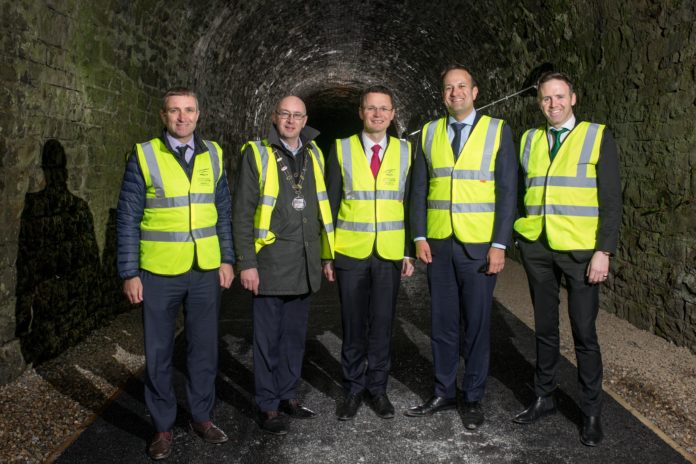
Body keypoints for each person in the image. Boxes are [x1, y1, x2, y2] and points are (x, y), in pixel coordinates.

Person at [116, 87, 234, 460]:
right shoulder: (144, 155)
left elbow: (223, 211)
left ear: (199, 115)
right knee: (159, 351)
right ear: (163, 115)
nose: (182, 117)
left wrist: (227, 259)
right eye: (174, 111)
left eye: (188, 110)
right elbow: (128, 218)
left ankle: (201, 416)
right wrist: (129, 271)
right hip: (158, 270)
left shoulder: (214, 153)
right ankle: (163, 427)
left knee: (203, 350)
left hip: (204, 269)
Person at [511, 72, 621, 447]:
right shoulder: (529, 139)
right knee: (544, 327)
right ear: (539, 101)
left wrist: (603, 251)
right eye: (546, 98)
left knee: (584, 333)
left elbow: (610, 199)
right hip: (538, 247)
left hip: (581, 251)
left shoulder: (596, 135)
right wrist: (518, 234)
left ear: (573, 98)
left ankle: (591, 412)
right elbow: (521, 189)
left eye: (559, 97)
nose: (553, 104)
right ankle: (544, 397)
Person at [406, 65, 517, 429]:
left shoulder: (498, 131)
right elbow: (419, 189)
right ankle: (443, 391)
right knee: (442, 323)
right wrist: (419, 236)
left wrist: (500, 244)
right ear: (443, 95)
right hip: (438, 245)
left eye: (462, 86)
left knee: (477, 325)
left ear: (475, 91)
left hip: (479, 246)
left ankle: (472, 397)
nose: (456, 92)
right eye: (449, 88)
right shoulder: (429, 133)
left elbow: (507, 192)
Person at [233, 95, 334, 435]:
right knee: (267, 339)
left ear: (305, 120)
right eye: (285, 115)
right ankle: (267, 404)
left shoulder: (315, 154)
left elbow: (321, 209)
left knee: (293, 337)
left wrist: (325, 255)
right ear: (274, 118)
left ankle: (289, 395)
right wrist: (246, 262)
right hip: (270, 263)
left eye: (297, 115)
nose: (291, 121)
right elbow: (242, 212)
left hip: (304, 261)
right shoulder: (256, 153)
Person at [323, 85, 415, 421]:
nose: (377, 114)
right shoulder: (341, 149)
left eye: (384, 108)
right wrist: (327, 254)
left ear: (392, 114)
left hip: (389, 251)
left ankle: (377, 389)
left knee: (382, 323)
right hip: (350, 250)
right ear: (361, 113)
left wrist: (408, 251)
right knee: (352, 323)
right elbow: (329, 203)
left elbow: (409, 204)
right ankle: (352, 388)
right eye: (371, 108)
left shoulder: (407, 151)